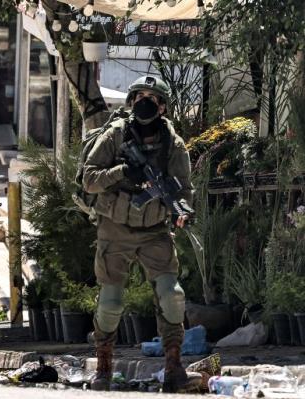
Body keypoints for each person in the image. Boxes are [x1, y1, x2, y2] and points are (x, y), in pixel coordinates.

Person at [83, 76, 195, 393]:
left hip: (154, 230)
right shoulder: (114, 136)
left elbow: (184, 189)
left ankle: (174, 367)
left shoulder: (173, 144)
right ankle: (103, 369)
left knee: (172, 295)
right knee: (111, 302)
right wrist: (122, 172)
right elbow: (89, 179)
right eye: (140, 96)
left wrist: (182, 210)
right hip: (115, 228)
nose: (145, 102)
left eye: (153, 98)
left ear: (162, 107)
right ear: (132, 102)